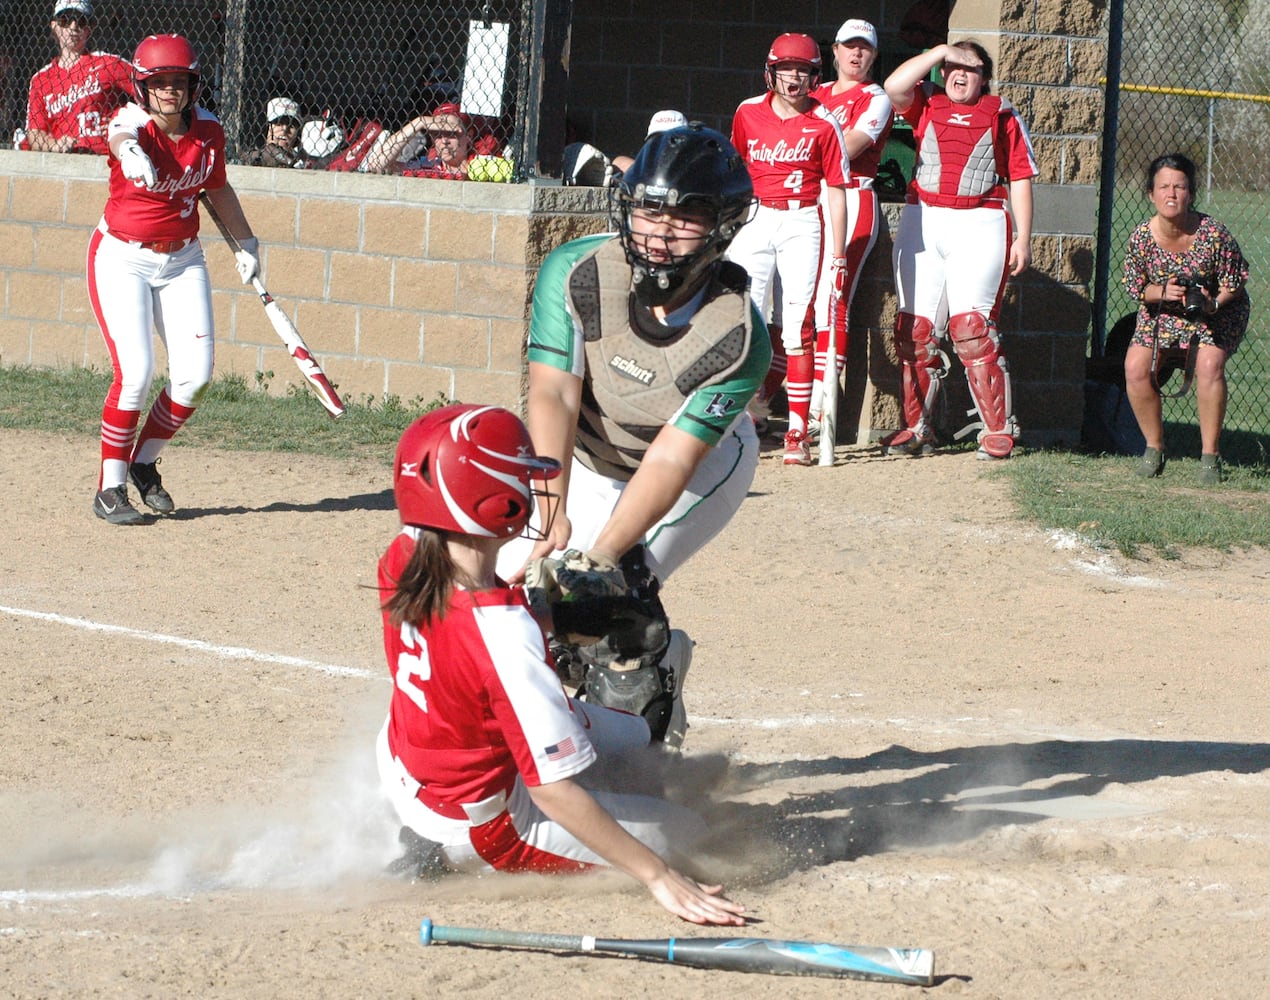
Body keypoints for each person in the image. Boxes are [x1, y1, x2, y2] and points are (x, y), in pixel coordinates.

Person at [375, 403, 748, 926]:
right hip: (486, 823)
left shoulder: (405, 553)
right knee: (691, 834)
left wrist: (549, 614)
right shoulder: (506, 639)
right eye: (521, 479)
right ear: (495, 503)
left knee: (635, 737)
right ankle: (436, 855)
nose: (530, 488)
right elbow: (555, 794)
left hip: (413, 756)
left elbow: (468, 627)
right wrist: (658, 876)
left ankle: (441, 823)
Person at [494, 124, 768, 743]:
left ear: (722, 224)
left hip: (696, 472)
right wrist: (551, 512)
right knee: (492, 594)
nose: (661, 231)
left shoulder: (737, 334)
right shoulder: (579, 270)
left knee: (597, 606)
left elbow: (673, 458)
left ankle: (648, 702)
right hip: (584, 456)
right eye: (648, 209)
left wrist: (603, 556)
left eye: (686, 215)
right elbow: (554, 393)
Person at [87, 34, 260, 524]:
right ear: (143, 87)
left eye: (178, 82)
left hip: (182, 259)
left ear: (193, 85)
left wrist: (248, 244)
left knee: (194, 378)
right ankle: (110, 487)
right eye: (158, 83)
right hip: (123, 257)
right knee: (136, 375)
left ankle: (142, 462)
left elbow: (218, 187)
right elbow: (121, 136)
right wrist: (131, 155)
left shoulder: (209, 131)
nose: (169, 91)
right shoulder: (131, 121)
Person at [882, 40, 1037, 460]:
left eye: (970, 69)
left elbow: (1020, 176)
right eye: (952, 68)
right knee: (915, 332)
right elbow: (894, 85)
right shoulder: (926, 104)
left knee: (972, 330)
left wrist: (1023, 236)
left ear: (984, 76)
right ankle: (917, 428)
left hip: (980, 220)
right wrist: (938, 52)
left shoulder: (1001, 113)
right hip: (925, 219)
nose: (959, 75)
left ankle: (997, 430)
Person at [727, 32, 850, 466]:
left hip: (802, 218)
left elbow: (837, 190)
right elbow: (736, 170)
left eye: (802, 70)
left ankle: (797, 427)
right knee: (746, 318)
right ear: (771, 72)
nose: (794, 78)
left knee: (798, 323)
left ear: (815, 74)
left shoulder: (825, 121)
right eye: (786, 70)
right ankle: (741, 417)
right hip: (755, 218)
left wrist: (838, 254)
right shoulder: (747, 112)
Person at [1121, 153, 1250, 484]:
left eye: (1180, 187)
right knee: (1135, 366)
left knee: (1208, 366)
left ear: (1191, 194)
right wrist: (1161, 291)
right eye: (1163, 186)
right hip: (1162, 311)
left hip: (1214, 314)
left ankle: (1210, 455)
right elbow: (1136, 287)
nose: (1171, 194)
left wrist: (1212, 304)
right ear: (1151, 194)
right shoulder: (1141, 237)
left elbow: (1234, 284)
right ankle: (1154, 448)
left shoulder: (1213, 234)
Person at [806, 19, 893, 437]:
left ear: (873, 56)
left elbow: (849, 148)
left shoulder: (874, 97)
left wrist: (801, 141)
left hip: (853, 195)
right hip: (808, 198)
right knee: (796, 301)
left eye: (864, 48)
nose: (856, 54)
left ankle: (821, 410)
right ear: (834, 51)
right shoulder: (815, 93)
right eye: (849, 46)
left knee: (832, 298)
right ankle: (785, 401)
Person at [24, 0, 130, 154]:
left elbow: (150, 90)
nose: (73, 27)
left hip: (105, 156)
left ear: (89, 29)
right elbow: (35, 133)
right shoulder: (40, 79)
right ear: (54, 25)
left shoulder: (108, 63)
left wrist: (126, 122)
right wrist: (54, 146)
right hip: (63, 159)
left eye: (81, 21)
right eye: (65, 20)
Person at [562, 109, 689, 187]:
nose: (663, 147)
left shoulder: (696, 173)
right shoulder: (639, 169)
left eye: (672, 141)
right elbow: (619, 162)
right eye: (657, 140)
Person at [364, 102, 474, 177]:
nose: (444, 140)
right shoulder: (428, 166)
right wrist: (419, 123)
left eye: (451, 133)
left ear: (469, 136)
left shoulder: (482, 165)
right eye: (437, 134)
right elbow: (376, 165)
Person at [241, 96, 308, 168]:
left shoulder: (303, 163)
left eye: (291, 125)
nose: (285, 129)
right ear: (267, 128)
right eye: (279, 123)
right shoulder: (252, 158)